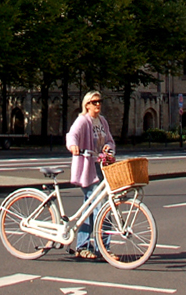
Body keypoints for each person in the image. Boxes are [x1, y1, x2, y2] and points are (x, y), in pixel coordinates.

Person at [65, 90, 115, 260]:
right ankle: (101, 247)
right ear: (87, 105)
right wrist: (73, 146)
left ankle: (85, 246)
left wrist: (109, 148)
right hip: (88, 169)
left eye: (100, 101)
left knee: (92, 207)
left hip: (101, 168)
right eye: (94, 102)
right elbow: (72, 135)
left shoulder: (102, 121)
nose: (98, 104)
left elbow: (109, 140)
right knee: (101, 207)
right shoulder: (82, 121)